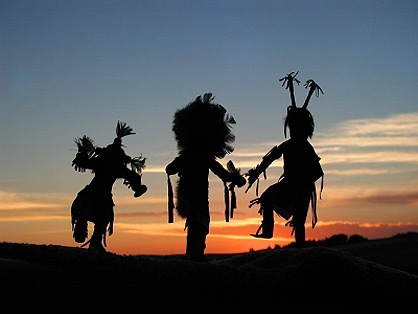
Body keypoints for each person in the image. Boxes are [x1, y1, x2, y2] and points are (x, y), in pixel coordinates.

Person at [246, 72, 324, 248]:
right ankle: (268, 231)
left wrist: (303, 181)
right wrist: (256, 173)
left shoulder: (305, 148)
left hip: (301, 187)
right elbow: (271, 157)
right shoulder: (290, 145)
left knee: (298, 220)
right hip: (290, 184)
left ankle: (300, 248)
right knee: (267, 198)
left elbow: (318, 171)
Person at [166, 93, 246, 261]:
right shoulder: (199, 157)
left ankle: (194, 255)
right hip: (195, 197)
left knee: (198, 225)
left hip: (198, 197)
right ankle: (194, 255)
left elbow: (171, 169)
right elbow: (222, 174)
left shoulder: (193, 156)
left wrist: (234, 178)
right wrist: (235, 178)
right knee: (199, 225)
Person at [71, 121, 147, 252]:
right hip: (102, 198)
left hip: (86, 195)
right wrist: (139, 188)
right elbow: (134, 177)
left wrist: (82, 152)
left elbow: (82, 162)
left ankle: (82, 224)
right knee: (104, 218)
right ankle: (95, 241)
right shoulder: (118, 167)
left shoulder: (101, 162)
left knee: (89, 213)